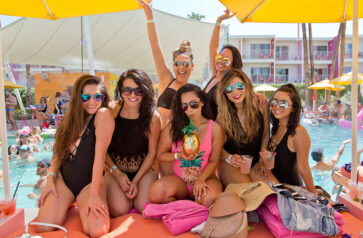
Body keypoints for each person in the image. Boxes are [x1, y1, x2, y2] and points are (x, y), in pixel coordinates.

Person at [35, 75, 114, 237]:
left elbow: (100, 158)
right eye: (86, 96)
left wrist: (93, 194)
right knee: (43, 226)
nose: (92, 101)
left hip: (90, 183)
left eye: (97, 96)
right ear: (78, 97)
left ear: (103, 98)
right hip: (64, 181)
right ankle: (68, 203)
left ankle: (79, 200)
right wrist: (51, 178)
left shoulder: (103, 115)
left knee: (97, 230)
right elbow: (58, 151)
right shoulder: (69, 119)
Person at [150, 84, 223, 206]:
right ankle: (188, 206)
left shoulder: (214, 128)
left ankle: (187, 206)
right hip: (180, 182)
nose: (189, 110)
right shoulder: (173, 126)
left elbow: (214, 160)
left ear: (202, 102)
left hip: (205, 178)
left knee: (208, 199)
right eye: (184, 106)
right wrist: (179, 156)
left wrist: (201, 179)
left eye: (193, 104)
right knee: (157, 193)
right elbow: (160, 155)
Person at [105, 69, 161, 216]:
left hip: (143, 170)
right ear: (120, 91)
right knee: (119, 209)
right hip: (115, 169)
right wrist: (117, 174)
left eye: (138, 91)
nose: (132, 95)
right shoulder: (112, 110)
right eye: (127, 90)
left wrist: (135, 181)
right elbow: (101, 149)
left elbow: (152, 153)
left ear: (145, 91)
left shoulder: (153, 117)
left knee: (144, 207)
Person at [138, 0, 194, 126]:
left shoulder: (193, 92)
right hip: (156, 137)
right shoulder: (166, 79)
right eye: (177, 64)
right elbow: (155, 47)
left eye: (185, 64)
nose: (181, 67)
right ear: (173, 66)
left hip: (177, 141)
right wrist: (150, 17)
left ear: (192, 66)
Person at [215, 69, 271, 186]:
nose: (235, 92)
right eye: (229, 89)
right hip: (231, 164)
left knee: (273, 192)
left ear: (247, 86)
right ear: (224, 93)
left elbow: (266, 133)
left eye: (239, 86)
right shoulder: (222, 118)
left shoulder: (261, 105)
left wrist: (262, 161)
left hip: (255, 162)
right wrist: (229, 158)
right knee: (249, 193)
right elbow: (216, 146)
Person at [262, 84, 316, 193]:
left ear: (293, 108)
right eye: (274, 102)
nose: (277, 106)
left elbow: (304, 168)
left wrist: (313, 194)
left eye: (283, 103)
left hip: (291, 191)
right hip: (275, 187)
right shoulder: (276, 129)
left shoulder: (298, 132)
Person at [204, 10, 243, 120]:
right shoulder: (214, 75)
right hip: (203, 129)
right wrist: (219, 21)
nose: (221, 61)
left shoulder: (230, 84)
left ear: (233, 64)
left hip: (216, 131)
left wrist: (256, 94)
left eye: (226, 59)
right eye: (220, 56)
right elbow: (213, 47)